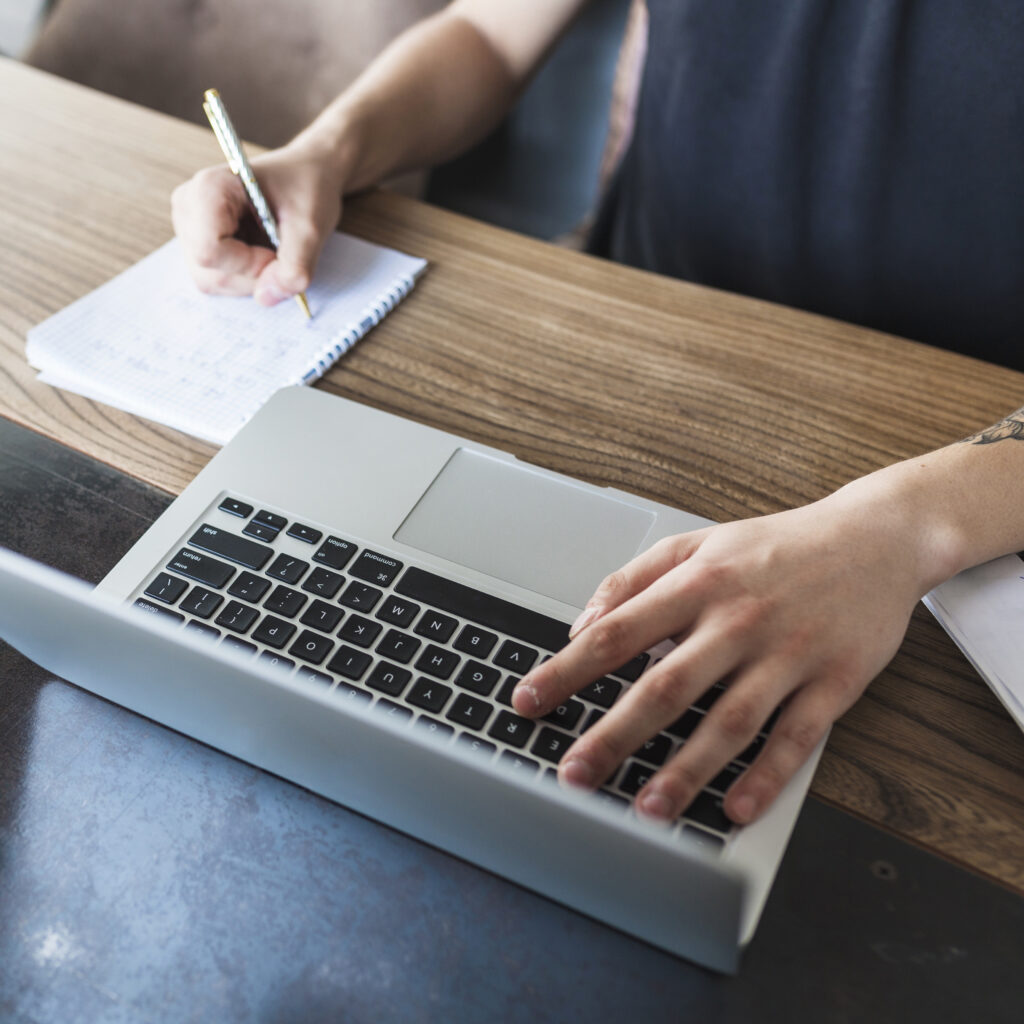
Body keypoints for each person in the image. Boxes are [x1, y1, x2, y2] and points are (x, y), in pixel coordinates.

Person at [171, 0, 1024, 828]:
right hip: (618, 336)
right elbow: (492, 33)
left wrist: (907, 527)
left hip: (949, 444)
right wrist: (328, 150)